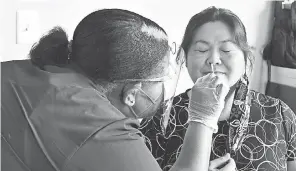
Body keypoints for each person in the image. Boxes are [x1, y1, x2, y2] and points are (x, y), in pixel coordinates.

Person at [1, 8, 234, 171]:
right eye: (161, 77)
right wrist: (203, 118)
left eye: (227, 50)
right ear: (132, 94)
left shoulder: (18, 72)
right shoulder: (98, 127)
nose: (213, 60)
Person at [140, 6, 296, 171]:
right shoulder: (159, 119)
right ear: (185, 58)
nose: (213, 59)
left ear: (246, 58)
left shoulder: (279, 114)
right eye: (202, 50)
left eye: (226, 49)